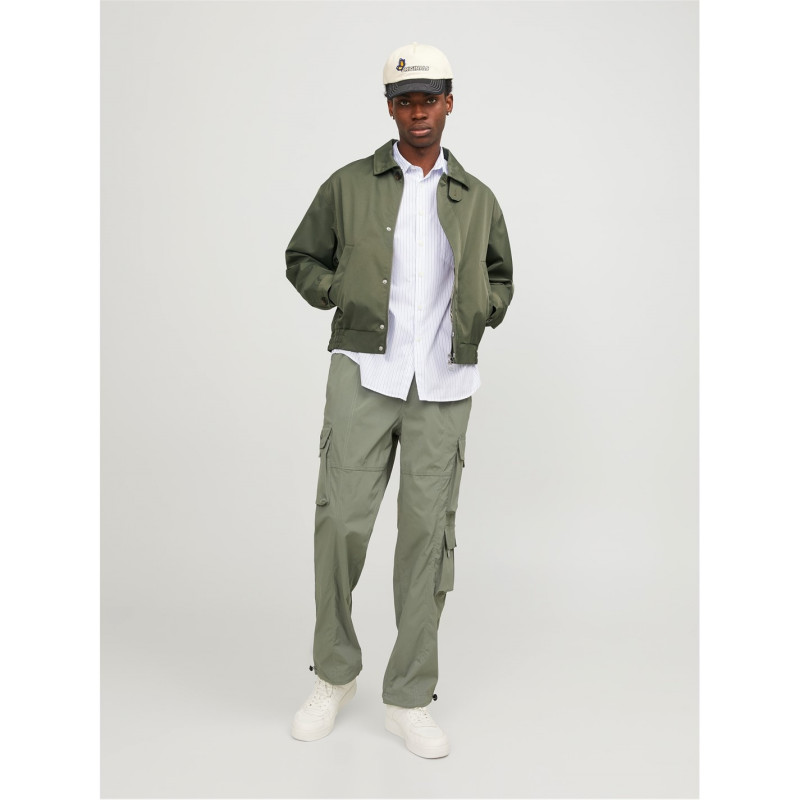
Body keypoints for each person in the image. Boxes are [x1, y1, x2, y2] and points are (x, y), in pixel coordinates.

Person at [285, 42, 514, 758]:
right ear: (390, 108)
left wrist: (481, 312)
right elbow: (302, 257)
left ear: (449, 103)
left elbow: (500, 276)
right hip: (364, 373)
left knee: (426, 541)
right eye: (405, 100)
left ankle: (409, 696)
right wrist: (340, 293)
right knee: (340, 524)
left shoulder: (476, 197)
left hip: (443, 384)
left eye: (429, 99)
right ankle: (333, 674)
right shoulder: (349, 185)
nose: (418, 112)